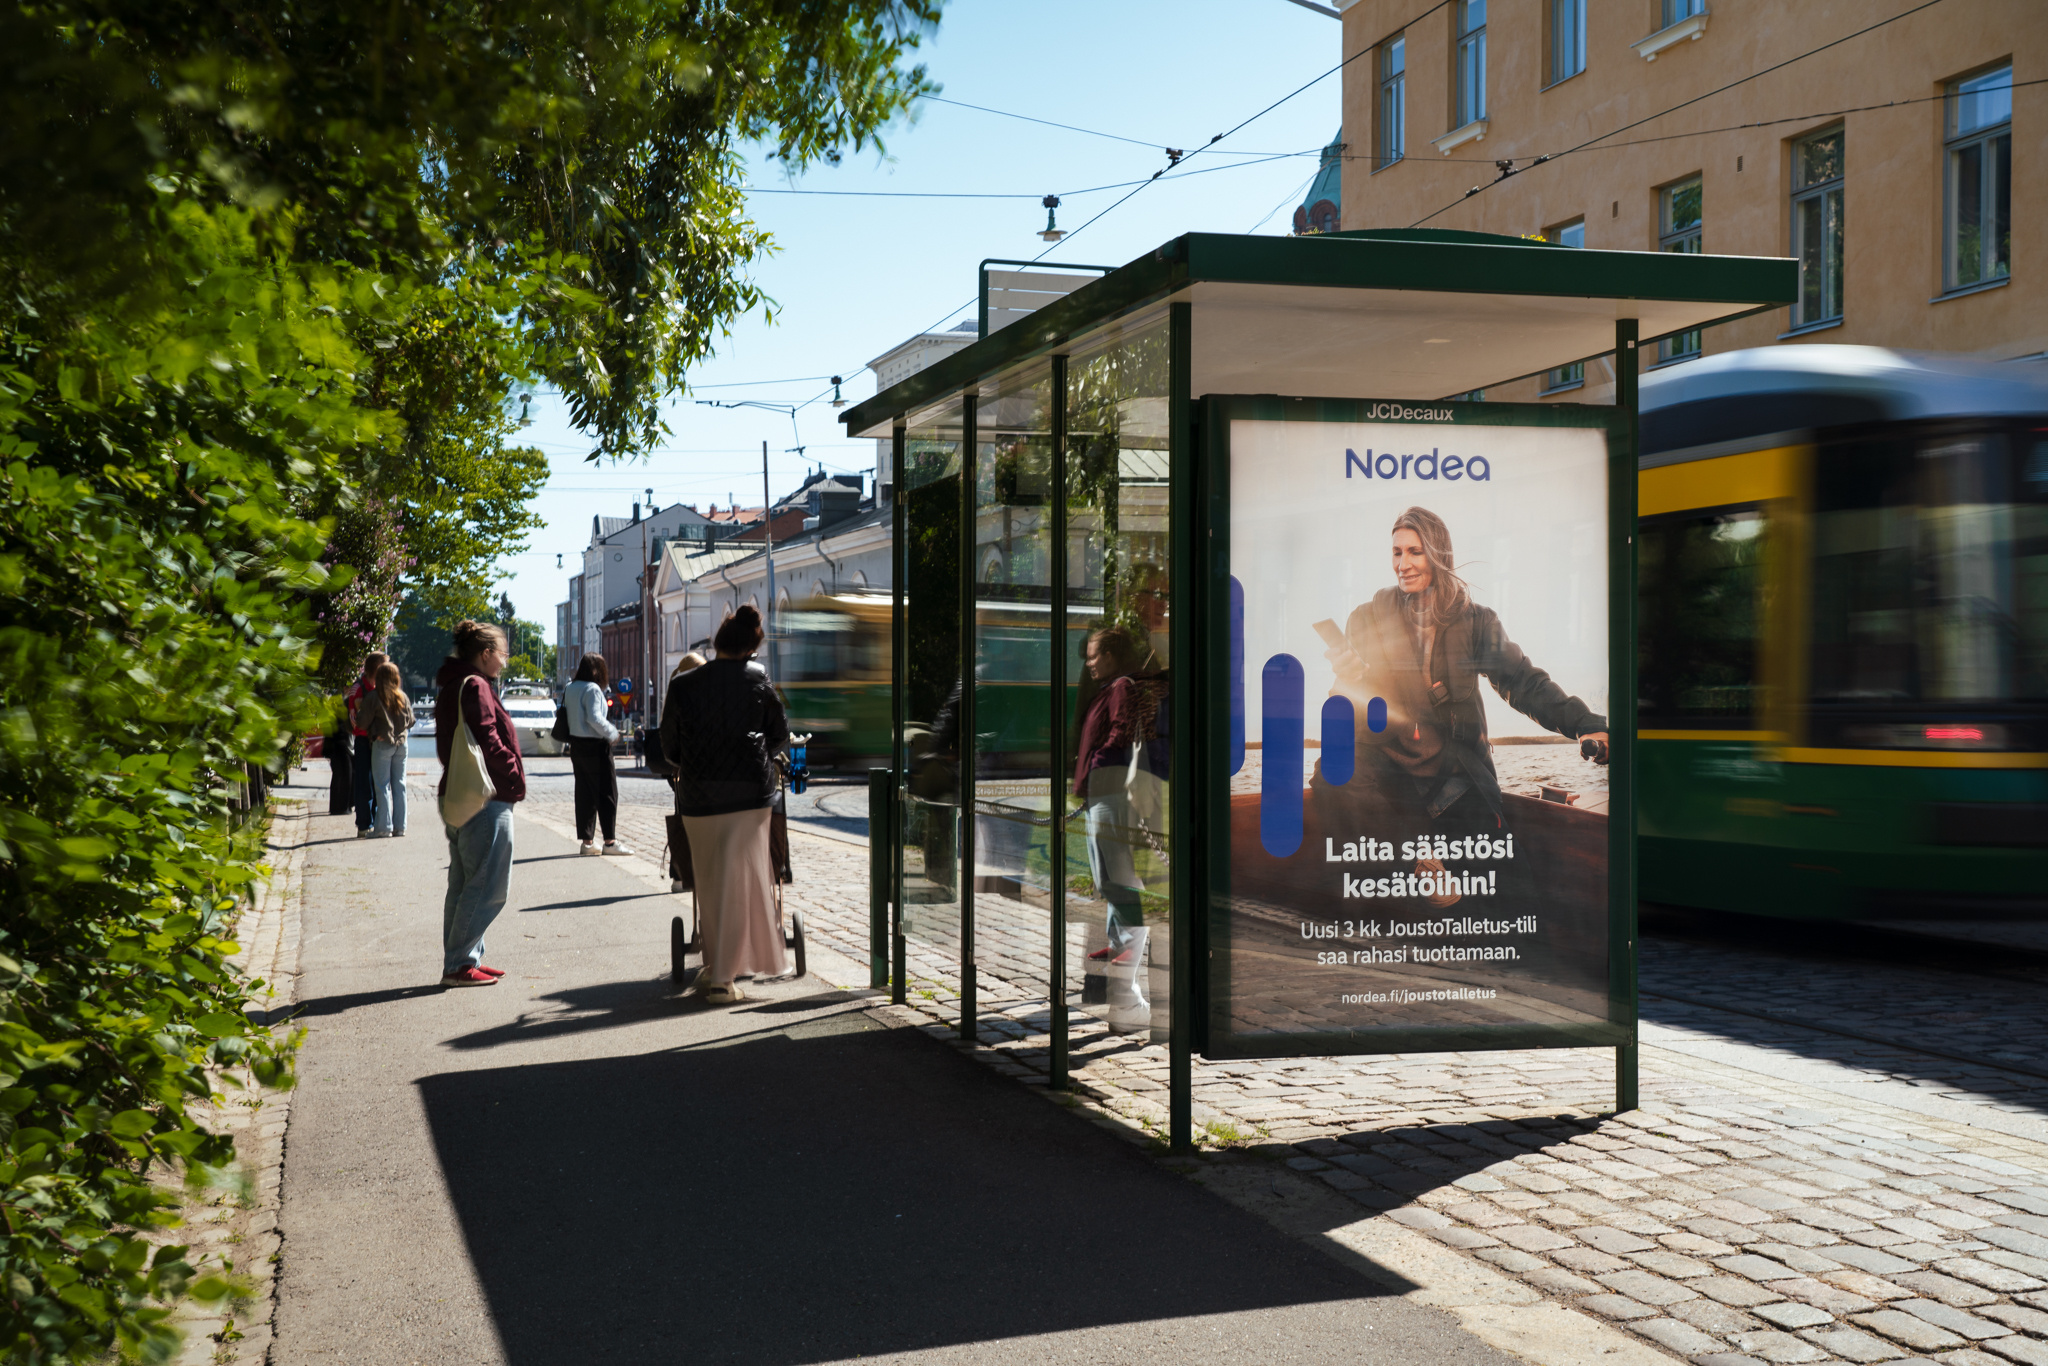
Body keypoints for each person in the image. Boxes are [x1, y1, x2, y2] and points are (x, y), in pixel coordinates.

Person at [1316, 506, 1608, 908]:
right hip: (1389, 776)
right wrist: (1348, 678)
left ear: (1438, 554)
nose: (1403, 564)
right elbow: (1352, 710)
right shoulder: (1366, 619)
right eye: (1397, 553)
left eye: (1414, 552)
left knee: (1518, 898)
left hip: (1453, 776)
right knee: (1332, 772)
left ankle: (1446, 891)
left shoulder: (1477, 622)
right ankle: (1416, 870)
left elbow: (1522, 681)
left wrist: (1585, 724)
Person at [658, 607, 789, 1004]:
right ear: (751, 646)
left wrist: (693, 762)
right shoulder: (758, 677)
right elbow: (779, 735)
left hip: (697, 796)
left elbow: (670, 746)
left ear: (718, 643)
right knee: (742, 883)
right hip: (749, 796)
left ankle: (716, 966)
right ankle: (722, 980)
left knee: (711, 883)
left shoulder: (683, 684)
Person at [434, 621, 525, 988]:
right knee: (488, 884)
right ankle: (459, 964)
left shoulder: (454, 684)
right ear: (485, 654)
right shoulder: (477, 686)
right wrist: (514, 776)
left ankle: (463, 959)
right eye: (502, 654)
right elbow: (489, 739)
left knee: (463, 882)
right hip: (485, 797)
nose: (504, 661)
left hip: (458, 793)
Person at [564, 653, 631, 857]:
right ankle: (610, 841)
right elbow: (594, 717)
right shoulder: (592, 689)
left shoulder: (570, 688)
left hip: (576, 746)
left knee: (584, 793)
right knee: (607, 793)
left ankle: (587, 842)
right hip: (596, 746)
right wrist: (613, 733)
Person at [661, 652, 708, 892]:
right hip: (691, 769)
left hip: (681, 770)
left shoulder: (675, 692)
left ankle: (678, 875)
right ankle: (683, 873)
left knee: (683, 818)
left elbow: (667, 737)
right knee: (689, 820)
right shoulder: (695, 695)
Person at [360, 661, 414, 837]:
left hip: (383, 744)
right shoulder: (403, 697)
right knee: (400, 785)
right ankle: (401, 827)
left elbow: (362, 722)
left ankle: (383, 827)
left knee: (382, 786)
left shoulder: (374, 697)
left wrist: (375, 731)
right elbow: (411, 721)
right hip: (402, 744)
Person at [344, 652, 388, 837]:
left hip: (378, 741)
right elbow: (355, 720)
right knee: (364, 783)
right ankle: (363, 824)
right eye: (384, 666)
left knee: (379, 782)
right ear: (376, 667)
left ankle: (378, 821)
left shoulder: (381, 687)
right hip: (364, 741)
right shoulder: (358, 689)